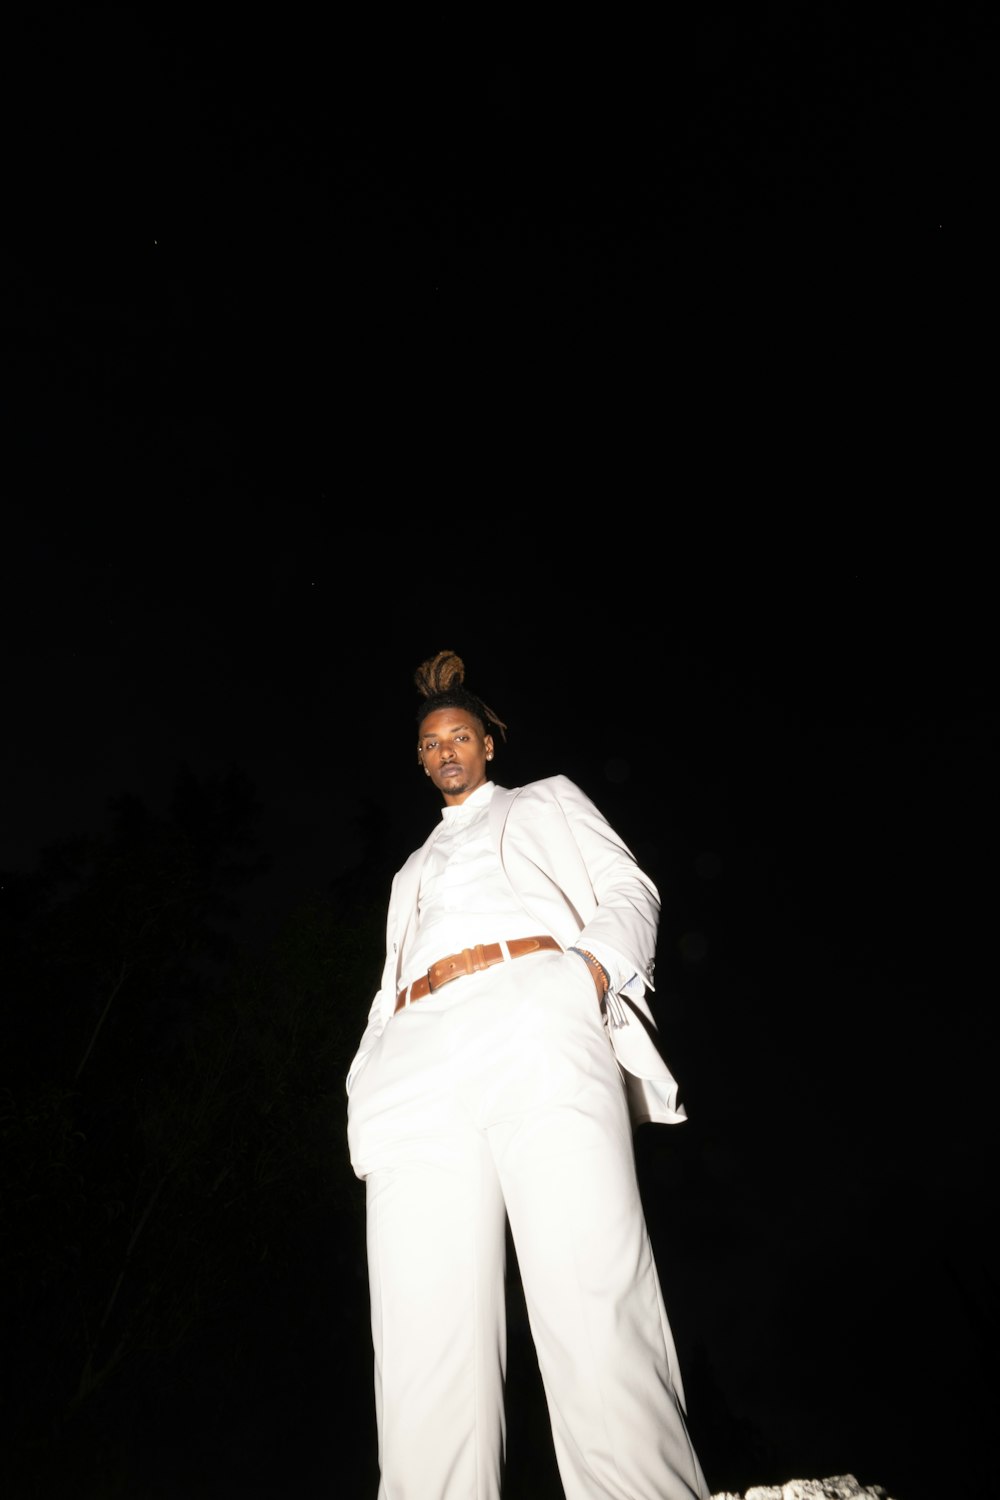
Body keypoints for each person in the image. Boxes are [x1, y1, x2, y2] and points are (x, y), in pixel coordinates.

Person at [346, 650, 711, 1500]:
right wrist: (369, 1072)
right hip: (413, 1058)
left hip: (534, 1009)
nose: (445, 751)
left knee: (588, 1286)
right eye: (431, 742)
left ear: (488, 744)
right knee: (420, 1338)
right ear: (421, 758)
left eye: (460, 736)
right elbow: (387, 977)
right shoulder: (408, 871)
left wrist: (587, 976)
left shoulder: (546, 800)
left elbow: (630, 887)